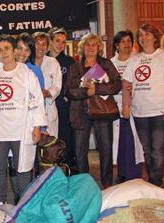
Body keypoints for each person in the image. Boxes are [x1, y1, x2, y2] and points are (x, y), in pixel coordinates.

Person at [0, 35, 47, 208]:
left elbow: (37, 101)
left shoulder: (26, 73)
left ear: (14, 50)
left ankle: (24, 203)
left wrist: (37, 126)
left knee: (23, 168)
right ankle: (0, 201)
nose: (3, 53)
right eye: (0, 50)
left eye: (7, 49)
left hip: (20, 130)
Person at [122, 24, 164, 187]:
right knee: (147, 150)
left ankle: (156, 182)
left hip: (159, 111)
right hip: (140, 112)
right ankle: (153, 180)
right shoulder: (135, 59)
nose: (143, 38)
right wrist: (126, 105)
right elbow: (126, 82)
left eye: (147, 34)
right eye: (140, 35)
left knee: (157, 150)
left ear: (154, 37)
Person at [65, 33, 121, 189]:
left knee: (105, 149)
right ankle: (85, 185)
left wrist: (97, 88)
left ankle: (107, 184)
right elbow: (68, 91)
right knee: (80, 151)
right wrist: (85, 91)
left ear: (99, 47)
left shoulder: (106, 64)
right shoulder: (74, 67)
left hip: (102, 112)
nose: (90, 48)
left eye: (94, 45)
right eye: (87, 45)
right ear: (82, 48)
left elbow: (117, 85)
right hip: (80, 113)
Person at [111, 30, 144, 183]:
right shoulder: (110, 63)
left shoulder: (138, 61)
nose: (126, 44)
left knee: (133, 142)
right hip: (115, 108)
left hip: (135, 107)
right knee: (120, 143)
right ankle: (122, 173)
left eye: (129, 41)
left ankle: (134, 175)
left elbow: (144, 81)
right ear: (117, 45)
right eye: (122, 41)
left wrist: (134, 86)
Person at [47, 27, 77, 171]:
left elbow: (74, 85)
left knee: (65, 141)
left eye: (63, 42)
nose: (60, 45)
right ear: (50, 41)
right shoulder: (41, 59)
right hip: (46, 107)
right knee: (48, 141)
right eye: (57, 41)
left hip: (64, 108)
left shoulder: (69, 61)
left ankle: (67, 170)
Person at [33, 32, 62, 137]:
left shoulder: (53, 62)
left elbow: (57, 85)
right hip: (30, 110)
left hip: (48, 109)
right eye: (37, 44)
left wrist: (48, 93)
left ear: (47, 47)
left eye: (43, 44)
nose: (40, 47)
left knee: (49, 149)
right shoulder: (26, 63)